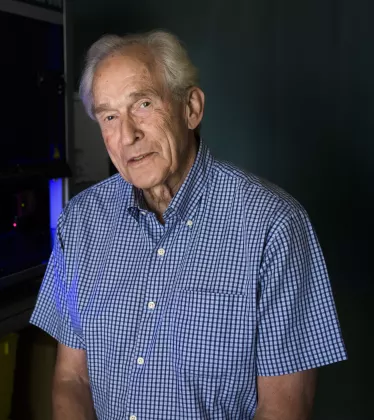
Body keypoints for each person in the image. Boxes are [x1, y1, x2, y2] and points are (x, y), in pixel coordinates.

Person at [30, 30, 347, 420]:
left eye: (143, 104)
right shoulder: (81, 222)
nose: (127, 135)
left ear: (191, 108)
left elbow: (285, 406)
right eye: (109, 116)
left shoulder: (274, 226)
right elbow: (72, 381)